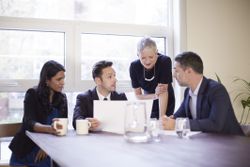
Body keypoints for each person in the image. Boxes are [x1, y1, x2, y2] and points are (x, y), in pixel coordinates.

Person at [162, 51, 244, 135]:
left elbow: (215, 124)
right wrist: (168, 120)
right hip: (206, 143)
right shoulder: (188, 92)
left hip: (232, 143)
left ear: (189, 71)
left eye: (176, 71)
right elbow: (178, 116)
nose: (174, 75)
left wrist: (178, 124)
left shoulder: (217, 90)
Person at [9, 60, 68, 166]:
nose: (63, 82)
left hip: (50, 146)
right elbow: (29, 122)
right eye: (59, 79)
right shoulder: (32, 94)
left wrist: (47, 146)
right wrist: (50, 129)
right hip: (27, 147)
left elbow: (63, 125)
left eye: (63, 78)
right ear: (47, 80)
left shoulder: (62, 98)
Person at [72, 60, 127, 130]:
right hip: (92, 139)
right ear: (98, 81)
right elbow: (75, 121)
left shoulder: (121, 97)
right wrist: (87, 123)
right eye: (110, 77)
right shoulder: (84, 98)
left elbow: (128, 121)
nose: (115, 80)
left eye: (114, 76)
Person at [129, 37, 175, 119]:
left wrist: (162, 118)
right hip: (148, 100)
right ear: (138, 55)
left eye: (151, 57)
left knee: (163, 125)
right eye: (143, 58)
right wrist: (155, 95)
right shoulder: (134, 66)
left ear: (156, 53)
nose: (147, 61)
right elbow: (138, 95)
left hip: (165, 100)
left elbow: (163, 92)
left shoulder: (165, 61)